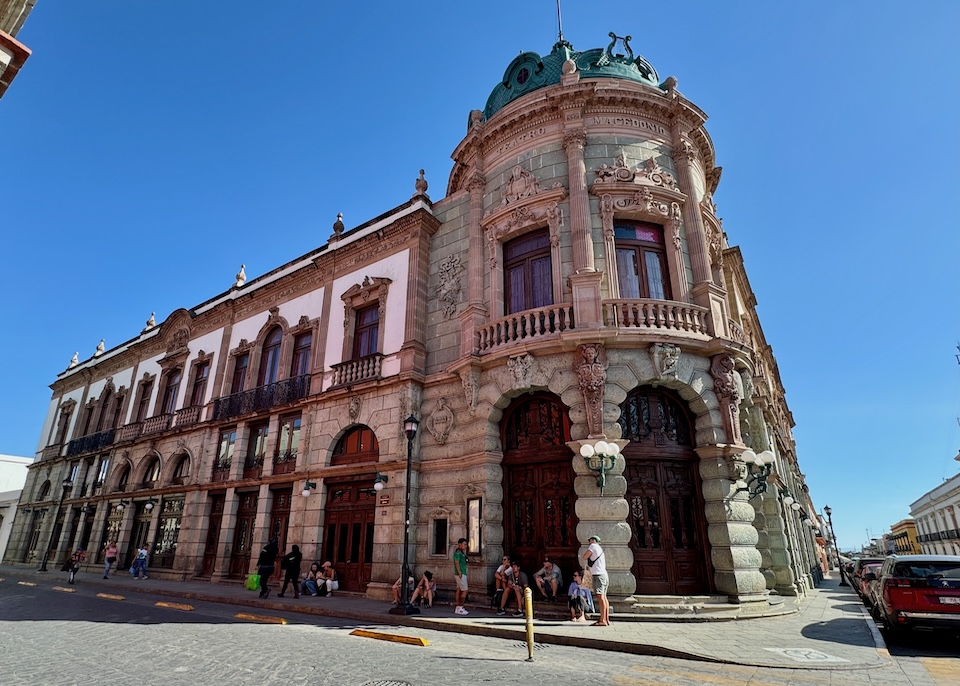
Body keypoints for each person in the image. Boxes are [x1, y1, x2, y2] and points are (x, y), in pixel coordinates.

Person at [583, 534, 609, 626]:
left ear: (593, 540)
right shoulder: (599, 548)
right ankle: (606, 618)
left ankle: (602, 620)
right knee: (604, 597)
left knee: (600, 597)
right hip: (604, 574)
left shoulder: (593, 546)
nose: (588, 542)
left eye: (589, 540)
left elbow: (585, 556)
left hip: (598, 575)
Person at [453, 537, 469, 615]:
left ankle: (457, 607)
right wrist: (459, 572)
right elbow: (456, 562)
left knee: (459, 589)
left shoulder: (461, 552)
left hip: (460, 573)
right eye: (464, 544)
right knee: (465, 590)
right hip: (461, 574)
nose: (466, 546)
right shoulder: (458, 553)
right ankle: (460, 607)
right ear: (460, 544)